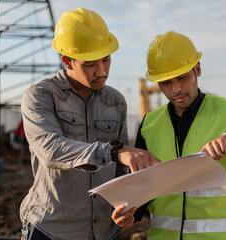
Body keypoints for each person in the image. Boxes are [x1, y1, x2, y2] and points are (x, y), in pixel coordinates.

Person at [133, 31, 226, 239]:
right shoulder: (149, 125)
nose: (176, 89)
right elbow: (142, 187)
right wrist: (131, 212)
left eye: (182, 77)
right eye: (166, 83)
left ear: (197, 69)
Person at [20, 7, 158, 240]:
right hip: (52, 230)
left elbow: (121, 169)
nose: (102, 71)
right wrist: (113, 152)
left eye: (106, 59)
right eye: (90, 64)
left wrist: (126, 204)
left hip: (105, 232)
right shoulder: (40, 96)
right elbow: (50, 150)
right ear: (67, 61)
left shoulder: (116, 101)